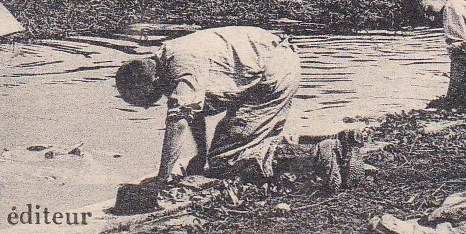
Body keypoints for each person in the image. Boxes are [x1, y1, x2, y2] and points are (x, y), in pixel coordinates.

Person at [113, 26, 354, 187]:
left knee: (227, 159)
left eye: (142, 100)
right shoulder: (167, 60)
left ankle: (319, 154)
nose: (146, 107)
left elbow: (178, 123)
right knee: (244, 143)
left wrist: (162, 179)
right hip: (271, 65)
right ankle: (336, 146)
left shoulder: (181, 64)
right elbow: (195, 112)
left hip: (272, 73)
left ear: (149, 81)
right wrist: (201, 155)